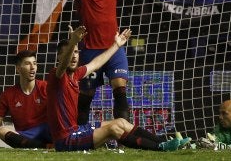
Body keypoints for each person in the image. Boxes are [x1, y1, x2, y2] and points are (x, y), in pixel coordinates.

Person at [46, 25, 190, 151]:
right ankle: (160, 148)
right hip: (65, 139)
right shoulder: (56, 75)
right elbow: (63, 65)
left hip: (76, 130)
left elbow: (96, 63)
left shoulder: (76, 74)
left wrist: (116, 45)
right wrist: (73, 42)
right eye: (70, 53)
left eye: (76, 52)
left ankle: (165, 142)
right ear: (59, 57)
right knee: (113, 129)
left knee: (121, 122)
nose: (74, 56)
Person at [66, 0, 145, 125]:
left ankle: (123, 139)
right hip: (90, 51)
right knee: (86, 97)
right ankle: (79, 136)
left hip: (114, 48)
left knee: (120, 90)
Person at [0, 50, 52, 149]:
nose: (32, 67)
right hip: (26, 136)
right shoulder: (8, 94)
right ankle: (43, 147)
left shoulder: (46, 87)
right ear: (18, 68)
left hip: (47, 131)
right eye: (27, 64)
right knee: (2, 131)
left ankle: (46, 145)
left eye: (34, 63)